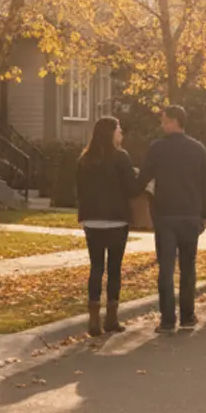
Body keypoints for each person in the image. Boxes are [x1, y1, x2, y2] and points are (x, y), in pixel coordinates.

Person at [137, 104, 206, 333]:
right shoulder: (199, 149)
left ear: (174, 121)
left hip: (165, 216)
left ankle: (167, 319)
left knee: (166, 269)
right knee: (188, 268)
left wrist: (134, 192)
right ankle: (188, 316)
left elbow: (143, 179)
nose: (162, 124)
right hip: (190, 216)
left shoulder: (157, 149)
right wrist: (203, 216)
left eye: (164, 120)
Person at [75, 116, 140, 337]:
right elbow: (131, 189)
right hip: (116, 219)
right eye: (119, 129)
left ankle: (94, 319)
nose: (121, 133)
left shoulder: (85, 160)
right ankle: (111, 318)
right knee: (114, 269)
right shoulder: (121, 158)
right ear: (111, 133)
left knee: (96, 267)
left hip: (92, 220)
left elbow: (80, 190)